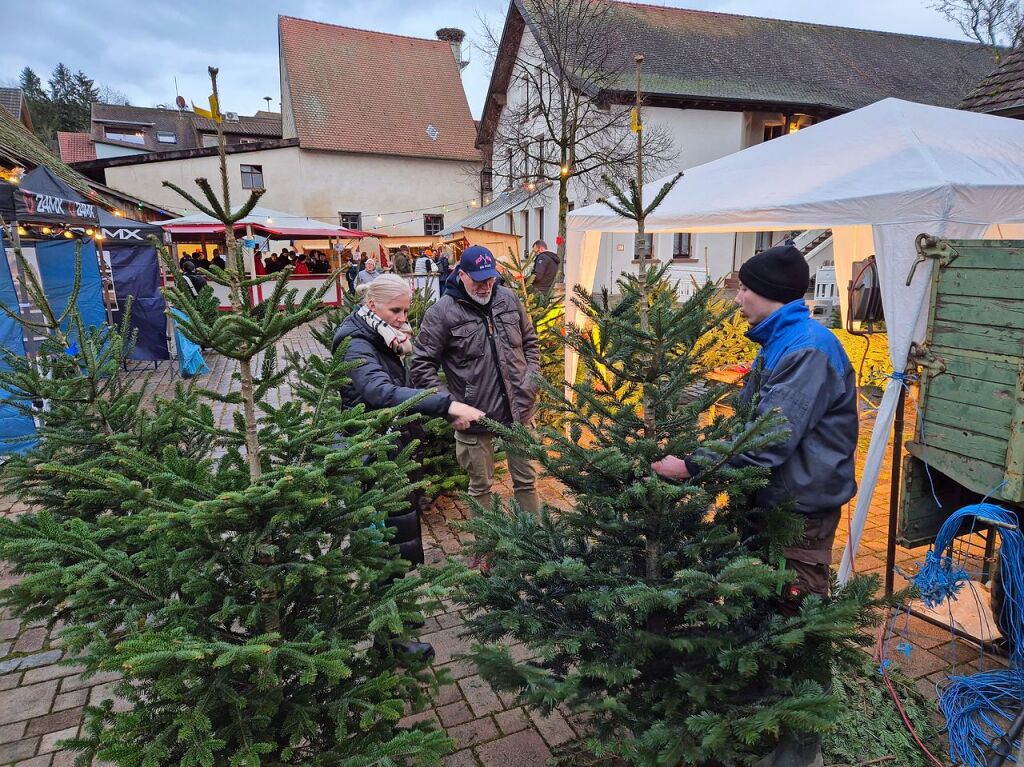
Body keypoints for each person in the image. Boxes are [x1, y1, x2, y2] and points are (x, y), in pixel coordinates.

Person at [650, 243, 857, 767]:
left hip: (800, 508)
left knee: (798, 611)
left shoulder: (807, 348)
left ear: (767, 293)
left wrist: (691, 465)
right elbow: (754, 415)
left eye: (744, 287)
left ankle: (802, 742)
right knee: (765, 604)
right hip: (768, 498)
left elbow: (769, 438)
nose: (737, 297)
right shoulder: (782, 339)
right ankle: (764, 700)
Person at [333, 274, 485, 659]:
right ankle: (388, 644)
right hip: (373, 457)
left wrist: (441, 414)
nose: (403, 318)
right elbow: (378, 393)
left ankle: (397, 615)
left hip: (393, 453)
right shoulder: (354, 342)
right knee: (381, 545)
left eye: (406, 309)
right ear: (372, 306)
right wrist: (445, 404)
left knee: (398, 538)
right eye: (395, 310)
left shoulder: (381, 335)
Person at [411, 245, 542, 520]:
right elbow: (421, 367)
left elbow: (530, 341)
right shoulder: (442, 313)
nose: (485, 287)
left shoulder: (508, 299)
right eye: (479, 280)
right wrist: (450, 407)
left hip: (520, 408)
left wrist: (531, 379)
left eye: (490, 279)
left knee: (527, 481)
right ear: (462, 275)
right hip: (474, 415)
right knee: (480, 487)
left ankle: (535, 543)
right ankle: (486, 552)